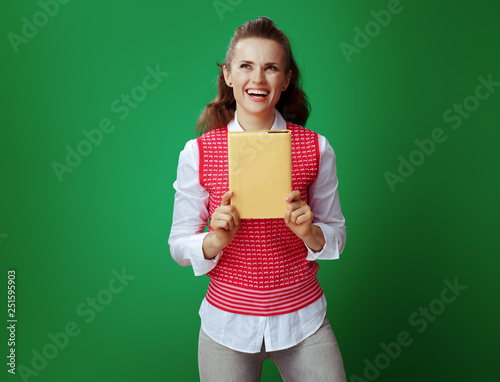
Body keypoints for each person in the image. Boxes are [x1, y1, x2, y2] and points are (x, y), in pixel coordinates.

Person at [169, 16, 347, 382]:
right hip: (226, 326)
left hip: (303, 320)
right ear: (229, 75)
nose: (258, 79)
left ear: (286, 79)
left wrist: (310, 231)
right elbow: (178, 244)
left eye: (271, 68)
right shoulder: (198, 152)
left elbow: (337, 233)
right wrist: (214, 240)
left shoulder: (316, 147)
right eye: (246, 66)